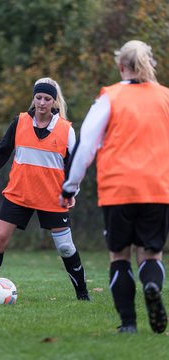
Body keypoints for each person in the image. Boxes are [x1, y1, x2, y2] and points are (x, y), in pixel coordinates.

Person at [60, 40, 169, 333]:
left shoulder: (110, 97)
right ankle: (150, 285)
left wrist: (69, 188)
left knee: (119, 256)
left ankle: (129, 324)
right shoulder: (165, 97)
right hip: (157, 189)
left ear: (121, 65)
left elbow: (85, 147)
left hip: (118, 189)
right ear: (150, 64)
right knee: (151, 254)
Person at [0, 77, 90, 301]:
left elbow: (75, 165)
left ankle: (83, 295)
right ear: (33, 99)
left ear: (54, 102)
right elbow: (1, 152)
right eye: (38, 98)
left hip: (53, 197)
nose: (42, 102)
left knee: (65, 248)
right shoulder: (20, 122)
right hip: (18, 194)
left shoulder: (66, 130)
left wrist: (72, 191)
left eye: (47, 98)